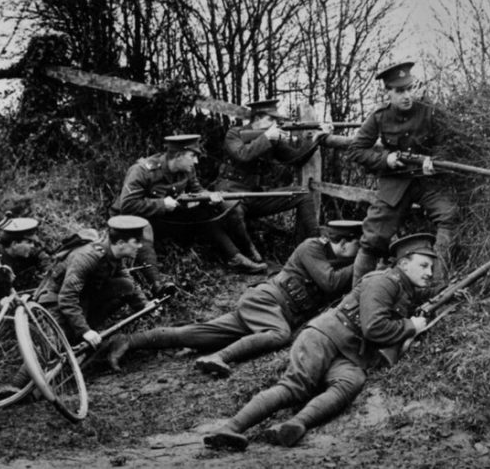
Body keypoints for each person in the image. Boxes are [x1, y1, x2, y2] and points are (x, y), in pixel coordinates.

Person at [202, 233, 435, 451]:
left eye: (432, 267)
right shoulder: (384, 281)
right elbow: (374, 327)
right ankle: (230, 428)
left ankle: (296, 424)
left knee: (351, 381)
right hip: (325, 336)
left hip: (350, 351)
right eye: (424, 265)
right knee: (295, 387)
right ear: (404, 264)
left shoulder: (403, 289)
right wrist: (411, 326)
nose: (430, 273)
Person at [106, 220, 363, 375]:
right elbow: (329, 282)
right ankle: (219, 357)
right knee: (278, 334)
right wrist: (364, 261)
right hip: (265, 302)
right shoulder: (312, 247)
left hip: (270, 312)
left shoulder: (340, 262)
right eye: (358, 247)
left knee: (196, 335)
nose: (360, 253)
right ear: (343, 243)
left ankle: (128, 340)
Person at [348, 61, 457, 286]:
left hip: (426, 181)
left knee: (449, 216)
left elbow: (449, 142)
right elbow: (356, 150)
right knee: (373, 237)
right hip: (396, 182)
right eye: (399, 91)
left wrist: (434, 160)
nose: (407, 96)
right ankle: (356, 295)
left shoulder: (430, 111)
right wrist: (385, 160)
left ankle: (437, 286)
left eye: (409, 88)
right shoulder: (379, 116)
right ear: (388, 92)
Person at [111, 134, 267, 278]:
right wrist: (162, 204)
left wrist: (209, 196)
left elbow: (197, 190)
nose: (196, 161)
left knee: (204, 214)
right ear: (178, 156)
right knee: (143, 228)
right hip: (134, 220)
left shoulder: (187, 170)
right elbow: (128, 205)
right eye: (192, 156)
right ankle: (156, 282)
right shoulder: (142, 170)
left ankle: (235, 258)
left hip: (165, 219)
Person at [213, 99, 320, 262]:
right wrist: (266, 137)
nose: (275, 124)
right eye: (271, 119)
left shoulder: (272, 139)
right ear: (257, 118)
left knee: (303, 194)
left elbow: (296, 158)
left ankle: (316, 245)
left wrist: (316, 139)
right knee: (233, 209)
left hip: (256, 195)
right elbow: (243, 155)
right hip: (231, 193)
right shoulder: (234, 134)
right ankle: (249, 252)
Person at [36, 215, 153, 348]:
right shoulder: (86, 258)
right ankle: (81, 332)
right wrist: (84, 331)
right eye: (136, 242)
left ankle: (88, 328)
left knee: (125, 286)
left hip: (82, 298)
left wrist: (145, 304)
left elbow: (126, 278)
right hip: (56, 301)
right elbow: (67, 297)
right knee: (56, 347)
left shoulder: (114, 255)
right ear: (121, 243)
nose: (140, 245)